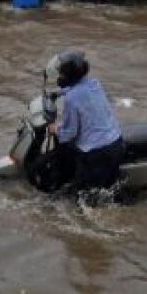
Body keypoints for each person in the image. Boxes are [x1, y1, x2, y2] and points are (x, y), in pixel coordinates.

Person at [46, 50, 125, 197]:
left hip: (96, 154)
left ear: (69, 76)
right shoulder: (94, 83)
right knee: (110, 191)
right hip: (116, 144)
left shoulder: (71, 100)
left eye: (61, 74)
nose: (59, 77)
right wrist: (57, 93)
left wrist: (55, 129)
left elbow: (70, 133)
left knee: (82, 197)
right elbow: (77, 89)